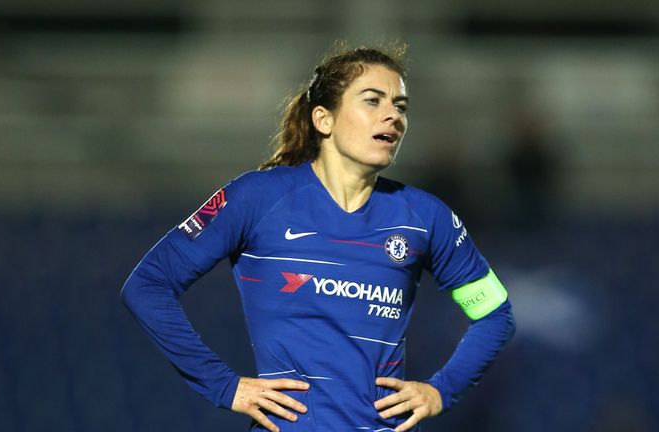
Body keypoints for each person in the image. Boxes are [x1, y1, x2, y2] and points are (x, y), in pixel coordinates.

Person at [121, 43, 515, 432]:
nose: (393, 115)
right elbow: (149, 285)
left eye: (401, 106)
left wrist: (440, 391)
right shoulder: (257, 199)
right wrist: (224, 385)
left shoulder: (426, 217)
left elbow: (495, 314)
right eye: (373, 101)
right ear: (323, 120)